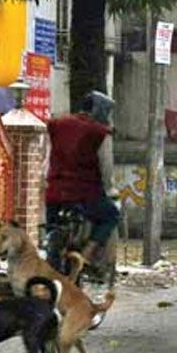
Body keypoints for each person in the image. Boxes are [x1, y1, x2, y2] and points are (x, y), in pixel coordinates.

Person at [45, 91, 120, 271]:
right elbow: (105, 166)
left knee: (51, 227)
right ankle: (86, 255)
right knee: (111, 215)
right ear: (100, 111)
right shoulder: (100, 133)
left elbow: (45, 155)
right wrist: (109, 190)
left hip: (54, 192)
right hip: (84, 193)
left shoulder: (56, 124)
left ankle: (49, 247)